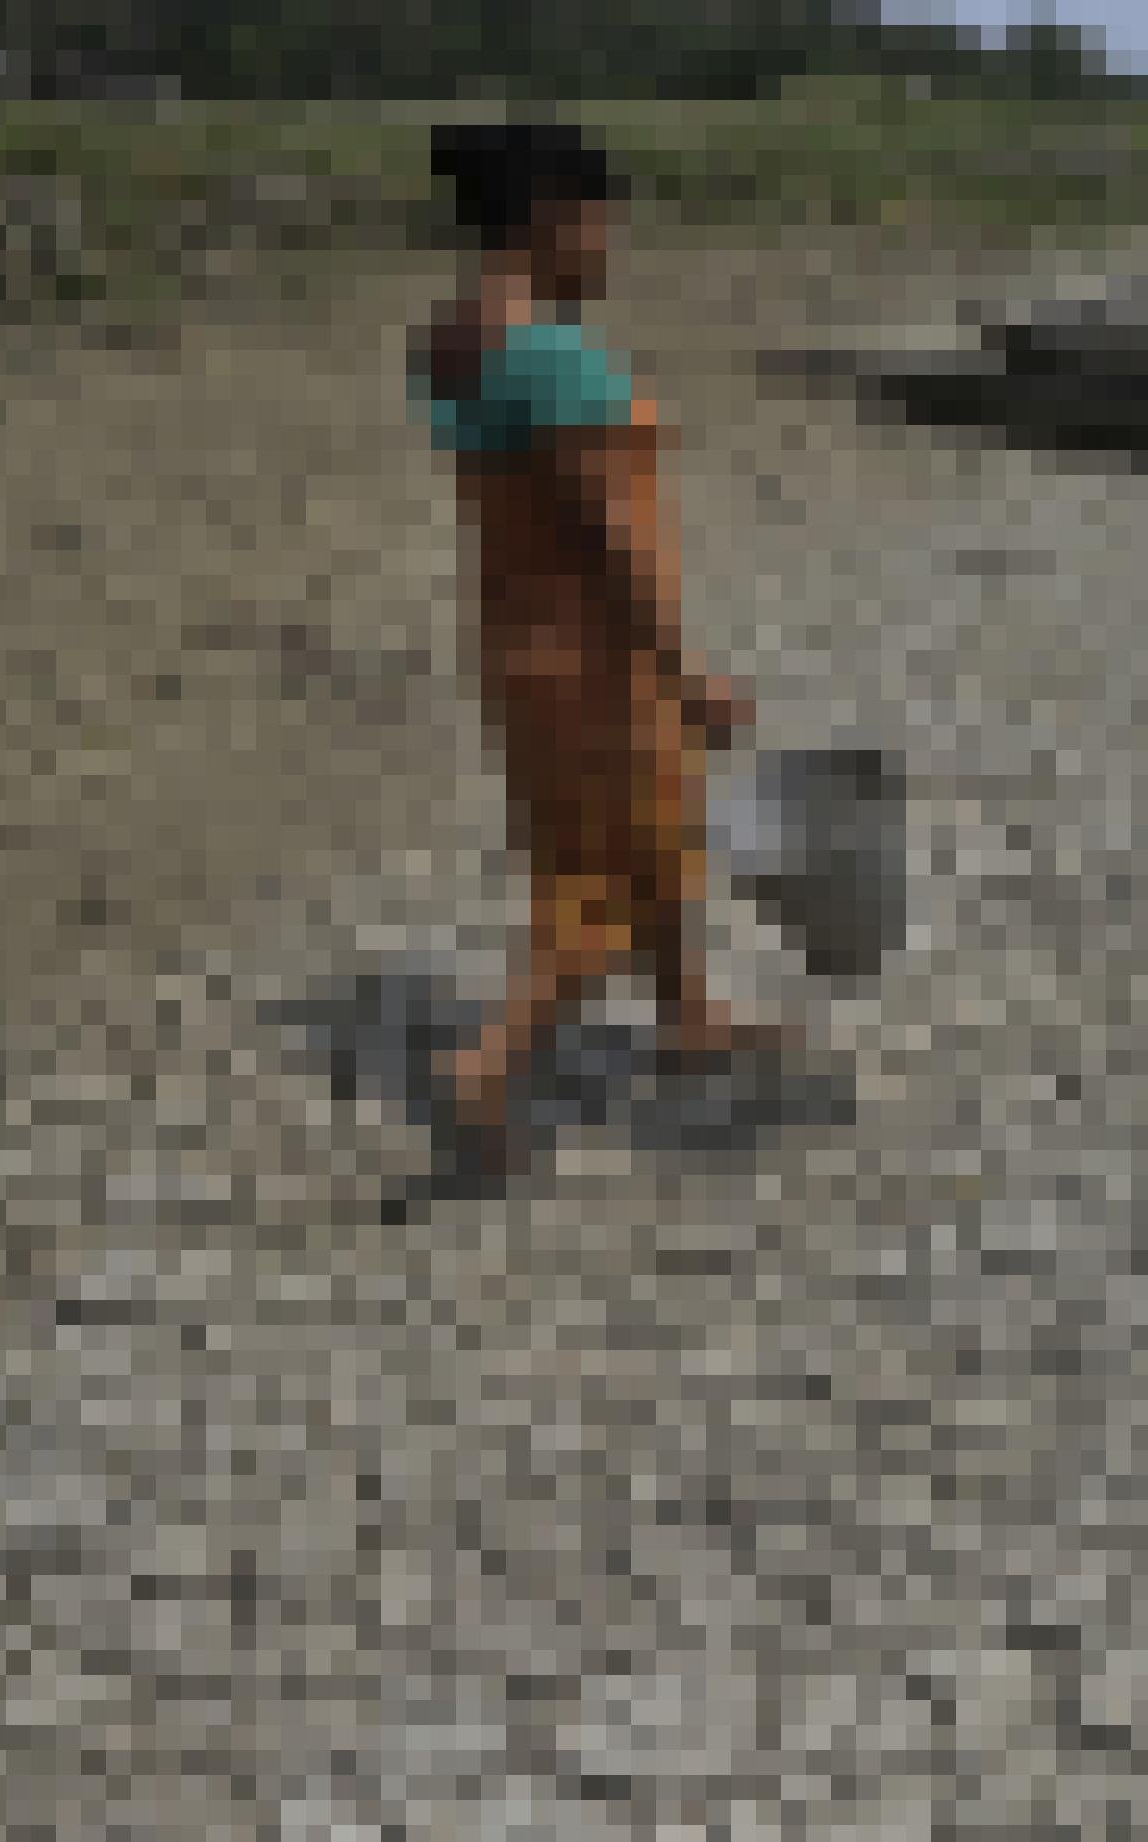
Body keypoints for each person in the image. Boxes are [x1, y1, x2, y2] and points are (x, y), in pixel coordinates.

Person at [411, 118, 779, 1176]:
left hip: (517, 644)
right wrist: (685, 674)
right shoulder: (555, 360)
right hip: (596, 658)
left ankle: (686, 1017)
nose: (609, 248)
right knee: (598, 881)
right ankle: (484, 1072)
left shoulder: (452, 339)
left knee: (653, 839)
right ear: (545, 221)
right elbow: (611, 539)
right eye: (599, 225)